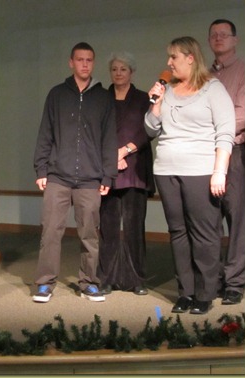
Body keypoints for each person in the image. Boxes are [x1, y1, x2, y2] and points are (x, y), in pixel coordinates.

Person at [145, 36, 235, 315]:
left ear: (190, 58)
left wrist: (219, 171)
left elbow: (225, 132)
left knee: (204, 233)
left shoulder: (212, 89)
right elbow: (150, 130)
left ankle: (206, 292)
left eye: (173, 57)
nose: (168, 63)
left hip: (200, 170)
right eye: (169, 57)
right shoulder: (167, 90)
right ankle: (186, 292)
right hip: (166, 169)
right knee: (177, 232)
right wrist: (156, 104)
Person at [32, 42, 118, 303]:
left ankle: (89, 282)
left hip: (91, 179)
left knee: (89, 234)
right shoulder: (57, 94)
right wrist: (41, 168)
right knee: (50, 232)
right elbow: (45, 132)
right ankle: (45, 283)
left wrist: (108, 175)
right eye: (80, 59)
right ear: (71, 62)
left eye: (89, 60)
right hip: (58, 176)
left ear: (93, 63)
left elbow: (109, 139)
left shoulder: (103, 98)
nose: (84, 64)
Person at [98, 52, 154, 296]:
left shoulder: (144, 98)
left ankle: (136, 279)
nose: (118, 73)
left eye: (123, 69)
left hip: (135, 169)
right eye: (114, 69)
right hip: (107, 168)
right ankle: (106, 278)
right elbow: (94, 131)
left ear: (132, 72)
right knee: (108, 226)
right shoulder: (100, 99)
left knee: (134, 226)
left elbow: (150, 129)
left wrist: (125, 150)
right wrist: (112, 154)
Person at [208, 19, 245, 305]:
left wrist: (211, 132)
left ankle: (234, 282)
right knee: (209, 220)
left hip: (233, 154)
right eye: (214, 35)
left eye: (224, 35)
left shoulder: (244, 69)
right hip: (204, 156)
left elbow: (242, 114)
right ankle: (213, 278)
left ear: (235, 40)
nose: (219, 38)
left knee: (236, 220)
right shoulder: (204, 74)